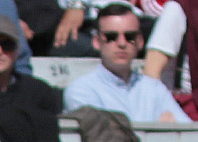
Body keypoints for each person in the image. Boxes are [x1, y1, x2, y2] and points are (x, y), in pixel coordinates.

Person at [62, 3, 191, 123]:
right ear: (96, 42)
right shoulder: (81, 92)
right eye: (111, 37)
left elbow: (188, 133)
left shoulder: (155, 89)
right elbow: (108, 141)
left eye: (130, 37)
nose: (122, 43)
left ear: (140, 41)